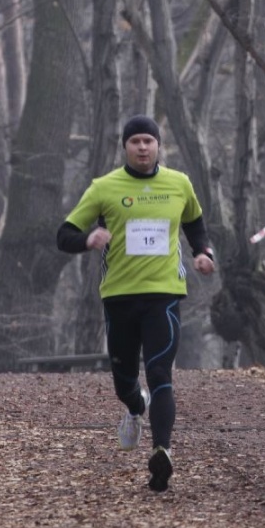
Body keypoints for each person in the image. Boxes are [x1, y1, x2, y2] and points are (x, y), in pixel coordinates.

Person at [56, 114, 215, 492]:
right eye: (135, 142)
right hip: (120, 297)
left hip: (163, 295)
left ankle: (162, 451)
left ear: (159, 146)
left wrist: (203, 252)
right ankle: (133, 407)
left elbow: (195, 222)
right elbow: (64, 234)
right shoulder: (104, 187)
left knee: (161, 373)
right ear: (125, 147)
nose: (143, 147)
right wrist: (87, 240)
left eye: (149, 141)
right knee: (125, 381)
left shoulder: (179, 184)